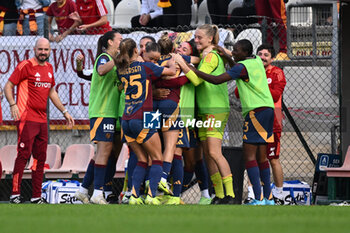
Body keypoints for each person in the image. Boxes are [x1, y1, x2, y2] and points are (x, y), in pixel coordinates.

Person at [177, 39, 275, 205]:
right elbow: (237, 64)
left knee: (249, 156)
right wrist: (228, 56)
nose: (233, 53)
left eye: (236, 51)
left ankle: (257, 199)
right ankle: (269, 198)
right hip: (268, 109)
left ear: (244, 52)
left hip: (254, 112)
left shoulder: (240, 67)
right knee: (261, 157)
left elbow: (217, 80)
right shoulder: (255, 61)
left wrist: (193, 70)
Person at [4, 37, 74, 204]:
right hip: (27, 119)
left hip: (42, 121)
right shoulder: (25, 66)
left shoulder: (49, 68)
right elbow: (8, 86)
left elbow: (51, 92)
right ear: (34, 50)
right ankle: (15, 193)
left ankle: (36, 196)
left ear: (50, 51)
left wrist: (64, 111)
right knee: (23, 156)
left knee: (40, 159)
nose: (43, 52)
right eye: (40, 49)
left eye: (46, 50)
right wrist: (13, 104)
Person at [174, 24, 236, 204]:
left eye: (200, 37)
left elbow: (196, 81)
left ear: (210, 39)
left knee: (215, 153)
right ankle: (219, 194)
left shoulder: (211, 56)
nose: (196, 40)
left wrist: (181, 63)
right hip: (203, 110)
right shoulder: (203, 57)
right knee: (208, 154)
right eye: (195, 37)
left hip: (215, 109)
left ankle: (230, 194)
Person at [115, 38, 176, 205]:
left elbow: (121, 87)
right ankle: (151, 196)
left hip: (126, 119)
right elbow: (171, 72)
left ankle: (134, 197)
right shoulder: (146, 67)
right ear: (137, 51)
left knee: (142, 158)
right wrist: (172, 61)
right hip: (143, 116)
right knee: (157, 158)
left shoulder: (121, 69)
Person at [75, 31, 123, 205]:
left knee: (102, 153)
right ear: (110, 42)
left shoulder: (116, 64)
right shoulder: (103, 58)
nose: (121, 43)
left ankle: (82, 190)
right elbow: (101, 70)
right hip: (102, 112)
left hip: (110, 113)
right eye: (119, 40)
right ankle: (97, 193)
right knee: (104, 151)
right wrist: (119, 59)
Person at [256, 44, 286, 204]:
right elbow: (238, 93)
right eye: (259, 54)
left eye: (266, 55)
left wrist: (257, 87)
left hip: (272, 122)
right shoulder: (253, 72)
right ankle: (255, 193)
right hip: (255, 121)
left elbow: (275, 95)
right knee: (255, 159)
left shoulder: (277, 72)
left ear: (272, 58)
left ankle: (279, 193)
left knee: (273, 158)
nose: (262, 57)